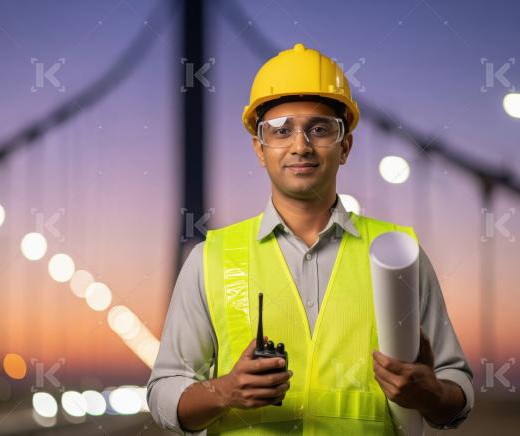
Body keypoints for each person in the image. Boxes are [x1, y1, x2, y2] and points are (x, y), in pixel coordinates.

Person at [147, 43, 473, 435]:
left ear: (345, 146)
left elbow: (455, 392)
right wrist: (224, 392)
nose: (300, 145)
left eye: (319, 129)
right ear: (260, 149)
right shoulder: (210, 258)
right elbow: (163, 392)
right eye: (280, 130)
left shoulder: (398, 254)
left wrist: (431, 394)